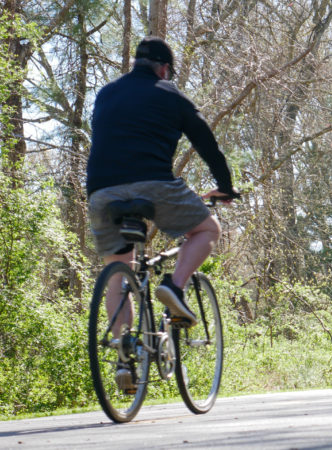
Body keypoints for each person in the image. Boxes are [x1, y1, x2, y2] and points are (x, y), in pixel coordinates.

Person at [86, 36, 239, 391]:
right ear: (165, 68)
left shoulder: (107, 93)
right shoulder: (170, 93)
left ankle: (125, 355)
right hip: (153, 185)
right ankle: (174, 286)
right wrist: (226, 187)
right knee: (207, 229)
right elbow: (207, 144)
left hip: (101, 191)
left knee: (117, 272)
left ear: (136, 63)